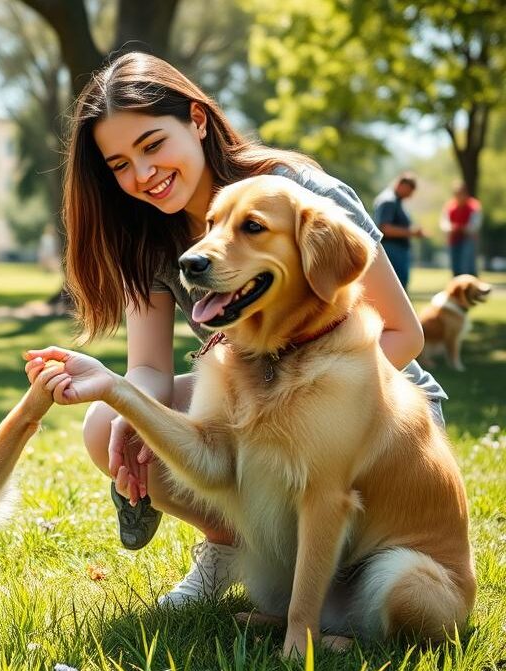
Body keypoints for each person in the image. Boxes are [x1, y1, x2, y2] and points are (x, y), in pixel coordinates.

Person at [50, 51, 446, 608]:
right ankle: (230, 545)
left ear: (197, 120)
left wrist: (294, 416)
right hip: (265, 399)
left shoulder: (296, 194)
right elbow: (147, 368)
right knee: (106, 423)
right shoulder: (146, 236)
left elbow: (404, 334)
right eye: (118, 165)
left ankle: (319, 580)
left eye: (152, 145)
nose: (142, 175)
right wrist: (131, 410)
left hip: (377, 414)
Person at [372, 173, 423, 289]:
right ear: (401, 185)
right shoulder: (389, 201)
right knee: (395, 287)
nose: (411, 194)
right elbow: (384, 228)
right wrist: (412, 232)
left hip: (396, 250)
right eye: (410, 190)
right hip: (392, 250)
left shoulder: (395, 200)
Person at [440, 182, 482, 277]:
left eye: (461, 194)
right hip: (453, 240)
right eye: (457, 194)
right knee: (455, 268)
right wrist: (451, 228)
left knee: (467, 267)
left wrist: (464, 228)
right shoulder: (450, 206)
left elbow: (475, 224)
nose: (459, 197)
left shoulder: (474, 205)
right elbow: (444, 223)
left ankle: (471, 287)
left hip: (468, 239)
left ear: (466, 194)